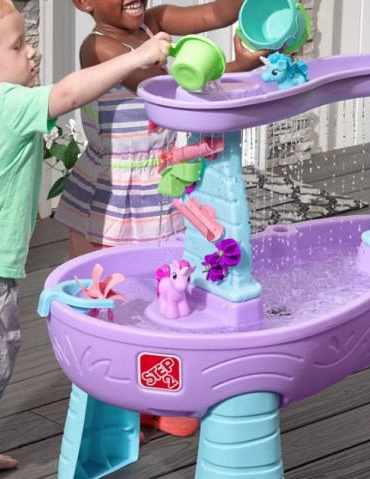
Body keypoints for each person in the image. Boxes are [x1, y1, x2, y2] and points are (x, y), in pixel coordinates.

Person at [0, 1, 169, 478]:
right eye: (17, 46)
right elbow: (72, 92)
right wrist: (135, 58)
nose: (31, 52)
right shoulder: (6, 103)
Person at [54, 0, 267, 437]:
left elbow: (216, 15)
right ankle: (120, 389)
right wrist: (238, 65)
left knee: (169, 283)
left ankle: (162, 387)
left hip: (161, 180)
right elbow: (164, 85)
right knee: (114, 294)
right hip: (114, 194)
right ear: (83, 2)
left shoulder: (153, 22)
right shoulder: (98, 49)